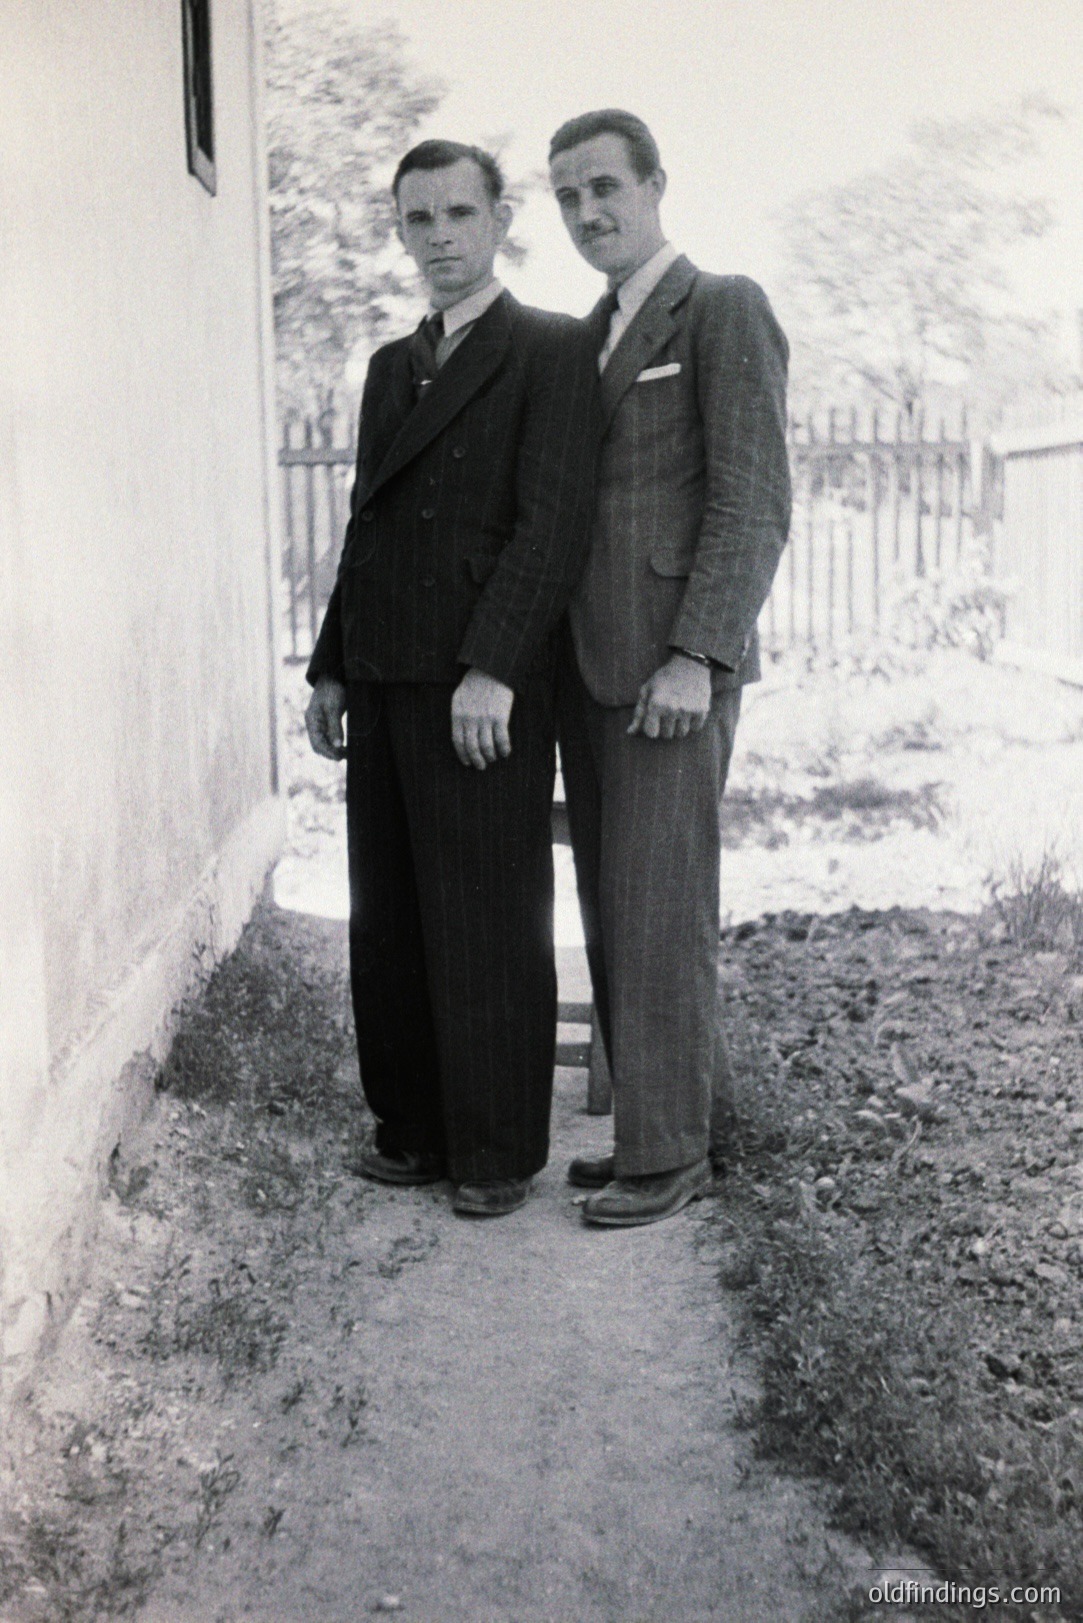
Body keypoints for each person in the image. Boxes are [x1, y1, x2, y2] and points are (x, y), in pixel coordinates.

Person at [305, 140, 596, 1218]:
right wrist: (332, 665)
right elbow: (368, 525)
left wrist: (493, 671)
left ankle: (494, 1148)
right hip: (383, 672)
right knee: (387, 915)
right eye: (418, 219)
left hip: (478, 686)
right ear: (399, 230)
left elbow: (551, 527)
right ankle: (414, 1130)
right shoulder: (392, 365)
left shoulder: (551, 349)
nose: (439, 238)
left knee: (486, 916)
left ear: (499, 220)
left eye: (458, 214)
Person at [548, 110, 791, 1226]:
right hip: (590, 667)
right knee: (615, 906)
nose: (588, 211)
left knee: (660, 906)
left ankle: (667, 1156)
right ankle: (668, 1121)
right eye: (568, 196)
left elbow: (753, 501)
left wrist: (698, 653)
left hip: (671, 672)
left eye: (605, 186)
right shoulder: (587, 333)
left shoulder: (722, 307)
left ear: (654, 185)